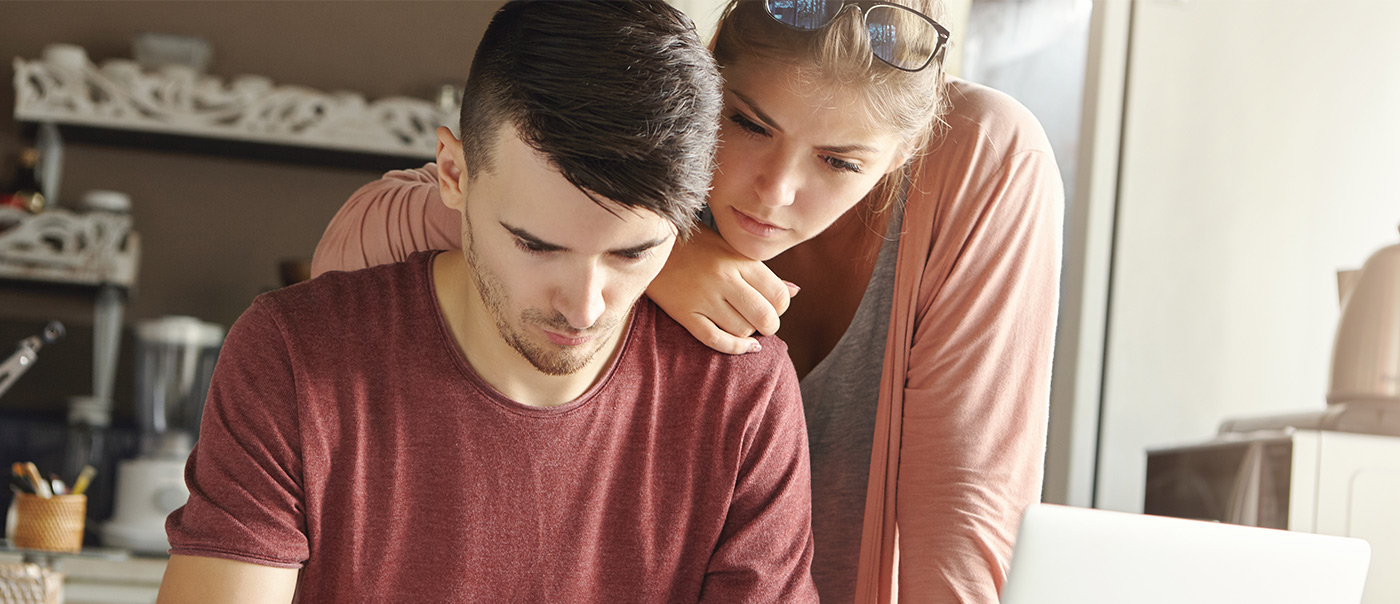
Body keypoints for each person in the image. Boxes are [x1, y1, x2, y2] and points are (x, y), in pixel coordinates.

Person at [312, 0, 1064, 602]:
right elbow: (353, 242)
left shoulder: (984, 161)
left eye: (839, 161)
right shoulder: (661, 140)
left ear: (904, 154)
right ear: (706, 86)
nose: (776, 191)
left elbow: (963, 530)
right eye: (748, 124)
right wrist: (649, 251)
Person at [157, 2, 819, 602]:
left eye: (632, 254)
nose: (585, 308)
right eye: (536, 245)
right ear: (452, 173)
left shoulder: (743, 395)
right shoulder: (295, 356)